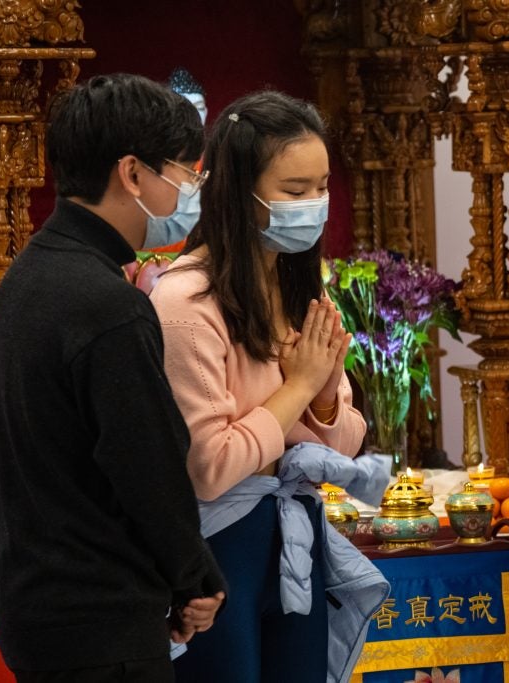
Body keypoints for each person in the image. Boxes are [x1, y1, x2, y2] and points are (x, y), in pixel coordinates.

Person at [0, 73, 226, 682]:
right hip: (97, 619)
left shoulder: (30, 274)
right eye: (183, 170)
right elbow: (146, 464)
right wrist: (193, 576)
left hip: (37, 605)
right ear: (133, 173)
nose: (191, 190)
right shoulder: (105, 303)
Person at [150, 91, 374, 682]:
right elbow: (211, 467)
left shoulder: (299, 287)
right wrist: (300, 387)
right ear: (235, 192)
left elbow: (345, 444)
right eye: (294, 192)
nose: (315, 205)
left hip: (292, 531)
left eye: (322, 188)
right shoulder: (184, 302)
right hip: (220, 549)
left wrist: (324, 397)